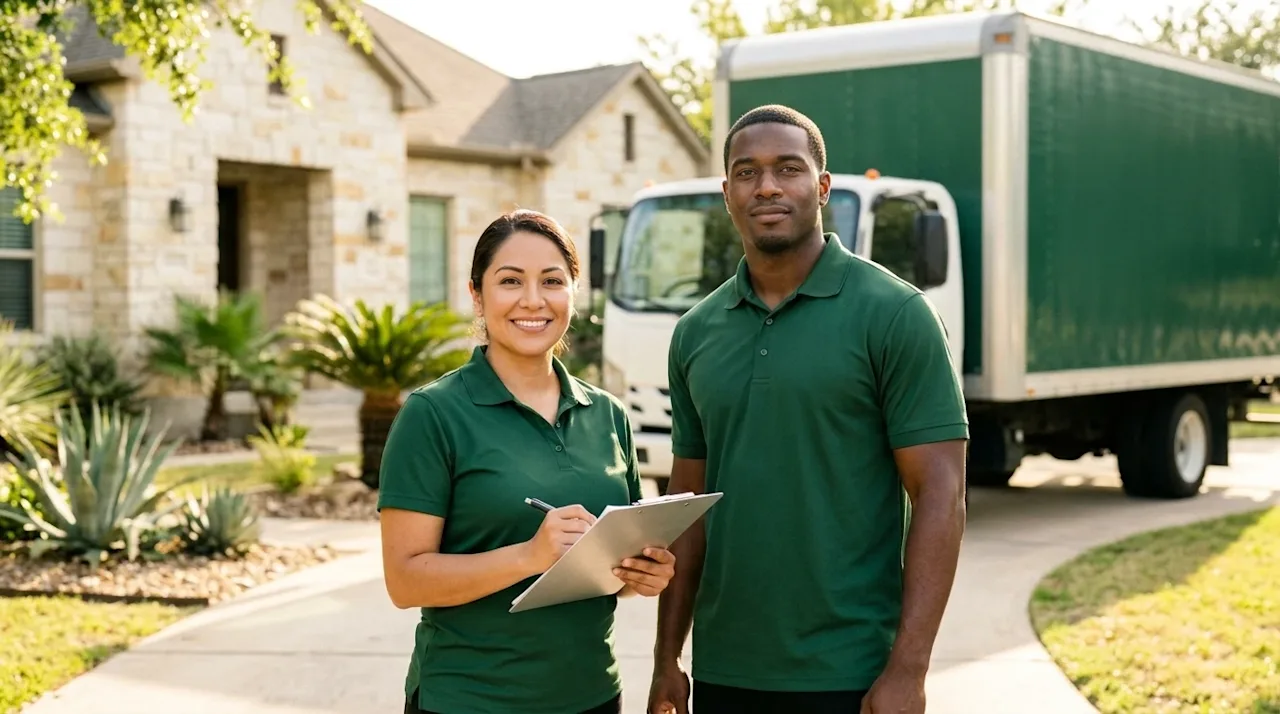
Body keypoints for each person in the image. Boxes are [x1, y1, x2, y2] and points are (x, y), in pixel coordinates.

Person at [647, 105, 969, 714]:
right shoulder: (695, 332)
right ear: (726, 195)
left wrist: (909, 668)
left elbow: (941, 494)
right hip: (724, 672)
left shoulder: (895, 314)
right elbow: (685, 505)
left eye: (787, 169)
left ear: (822, 188)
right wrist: (669, 659)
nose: (766, 186)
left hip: (852, 672)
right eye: (747, 172)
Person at [378, 209, 677, 714]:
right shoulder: (432, 414)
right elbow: (405, 582)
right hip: (469, 700)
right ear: (477, 295)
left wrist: (638, 575)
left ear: (573, 292)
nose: (533, 300)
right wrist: (530, 555)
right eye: (510, 281)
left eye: (552, 281)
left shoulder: (608, 414)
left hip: (593, 696)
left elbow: (606, 571)